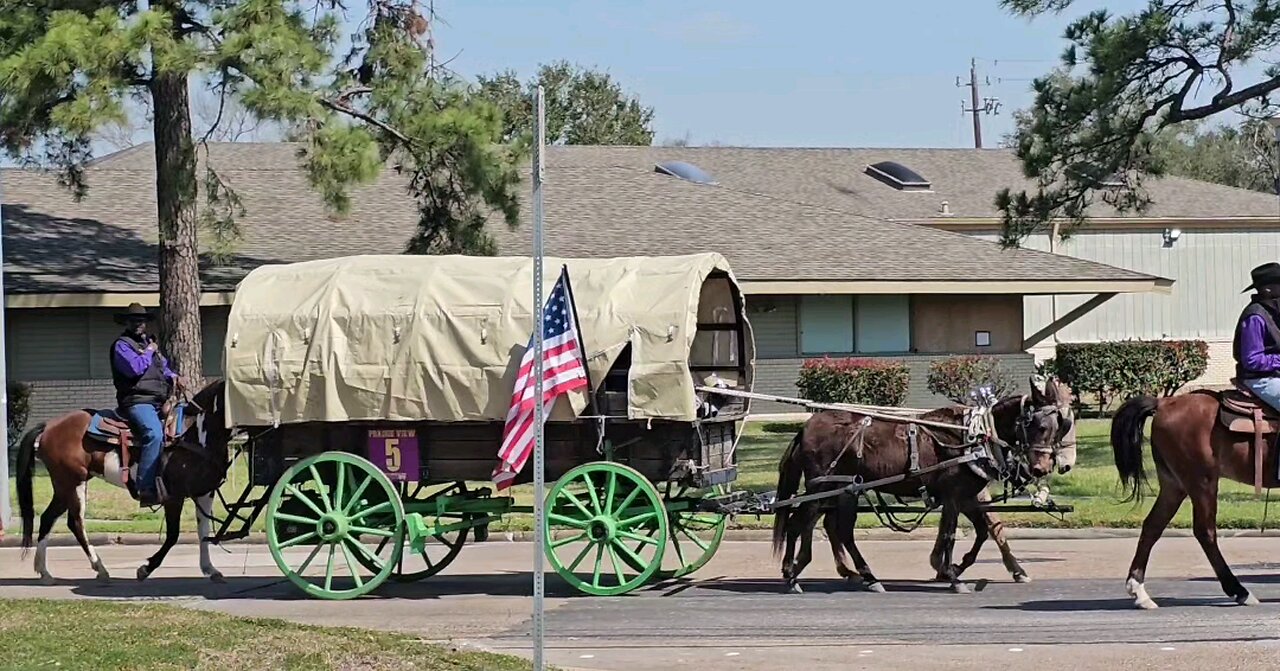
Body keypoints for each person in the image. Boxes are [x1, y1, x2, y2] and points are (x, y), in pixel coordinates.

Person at [110, 303, 178, 506]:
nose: (139, 324)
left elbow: (163, 368)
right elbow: (135, 368)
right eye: (134, 320)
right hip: (137, 401)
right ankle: (145, 488)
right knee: (154, 434)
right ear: (127, 323)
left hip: (158, 400)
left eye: (142, 320)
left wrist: (175, 376)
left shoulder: (150, 346)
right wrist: (149, 351)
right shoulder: (122, 345)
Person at [1234, 262, 1280, 414]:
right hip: (1260, 379)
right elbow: (1252, 360)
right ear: (1267, 290)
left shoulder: (1273, 312)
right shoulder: (1255, 316)